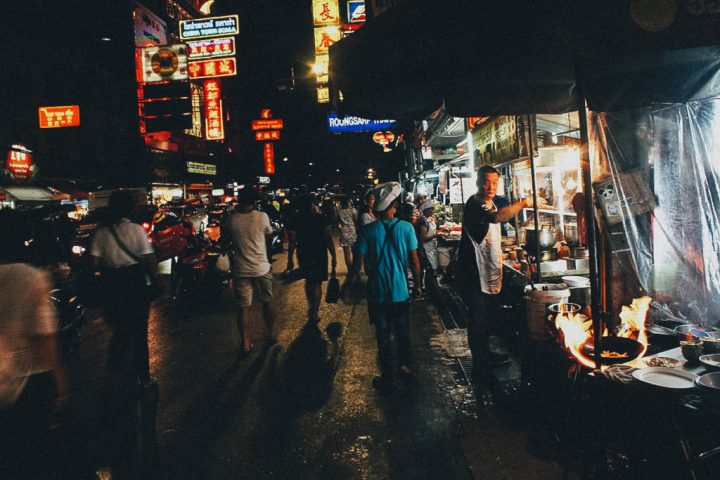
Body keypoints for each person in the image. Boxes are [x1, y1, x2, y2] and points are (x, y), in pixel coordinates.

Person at [0, 208, 68, 479]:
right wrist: (59, 379)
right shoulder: (31, 278)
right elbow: (45, 336)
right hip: (30, 380)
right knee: (32, 456)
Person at [459, 166, 529, 380]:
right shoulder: (474, 204)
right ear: (478, 182)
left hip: (490, 268)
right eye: (486, 182)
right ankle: (480, 365)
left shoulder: (491, 202)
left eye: (495, 183)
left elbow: (506, 218)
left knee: (488, 318)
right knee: (478, 320)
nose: (490, 187)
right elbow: (497, 218)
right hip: (475, 273)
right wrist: (525, 202)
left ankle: (486, 355)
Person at [357, 182, 422, 395]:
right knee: (403, 332)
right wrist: (418, 285)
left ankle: (388, 378)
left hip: (378, 293)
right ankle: (405, 366)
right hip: (401, 292)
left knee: (383, 336)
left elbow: (361, 264)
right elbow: (414, 261)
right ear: (394, 205)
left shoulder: (367, 230)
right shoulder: (406, 228)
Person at [91, 190, 157, 384]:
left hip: (112, 285)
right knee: (138, 332)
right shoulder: (135, 230)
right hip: (135, 285)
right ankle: (143, 378)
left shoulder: (102, 233)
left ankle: (115, 372)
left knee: (120, 328)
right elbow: (149, 259)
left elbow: (94, 264)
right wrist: (154, 279)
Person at [224, 189, 276, 355]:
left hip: (240, 270)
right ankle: (270, 333)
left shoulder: (232, 219)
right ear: (253, 202)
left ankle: (245, 342)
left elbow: (227, 239)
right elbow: (269, 234)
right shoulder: (262, 217)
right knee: (267, 302)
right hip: (261, 267)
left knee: (243, 308)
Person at [295, 194, 333, 324]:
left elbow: (294, 239)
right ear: (312, 205)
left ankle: (311, 307)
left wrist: (291, 257)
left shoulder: (299, 219)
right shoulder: (321, 218)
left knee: (309, 281)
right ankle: (314, 312)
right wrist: (333, 254)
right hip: (319, 253)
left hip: (304, 253)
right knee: (317, 283)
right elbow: (327, 237)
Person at [415, 198, 441, 295]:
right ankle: (427, 290)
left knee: (430, 270)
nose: (433, 211)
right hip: (425, 249)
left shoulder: (429, 219)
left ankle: (429, 289)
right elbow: (423, 238)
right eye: (431, 209)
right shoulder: (423, 221)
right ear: (426, 210)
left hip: (431, 248)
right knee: (429, 269)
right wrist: (436, 235)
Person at [336, 197, 358, 277]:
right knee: (354, 251)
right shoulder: (352, 210)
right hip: (352, 231)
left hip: (344, 232)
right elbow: (356, 220)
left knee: (347, 253)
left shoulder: (339, 211)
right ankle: (355, 269)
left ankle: (350, 270)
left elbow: (338, 221)